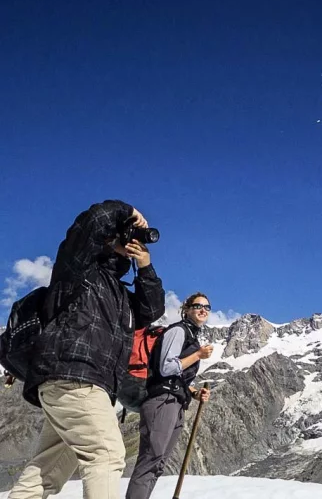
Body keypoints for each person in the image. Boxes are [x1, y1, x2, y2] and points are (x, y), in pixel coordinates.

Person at [9, 200, 166, 499]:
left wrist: (144, 266)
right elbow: (92, 221)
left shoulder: (117, 292)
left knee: (48, 471)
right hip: (74, 375)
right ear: (109, 237)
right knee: (106, 454)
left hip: (80, 382)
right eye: (126, 235)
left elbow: (150, 309)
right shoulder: (79, 269)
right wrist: (129, 212)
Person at [125, 292, 214, 499]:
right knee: (151, 459)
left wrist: (194, 392)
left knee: (158, 462)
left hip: (175, 402)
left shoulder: (190, 335)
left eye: (207, 308)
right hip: (162, 402)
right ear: (187, 309)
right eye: (198, 306)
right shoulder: (178, 331)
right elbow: (166, 367)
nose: (203, 310)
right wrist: (198, 355)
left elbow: (179, 376)